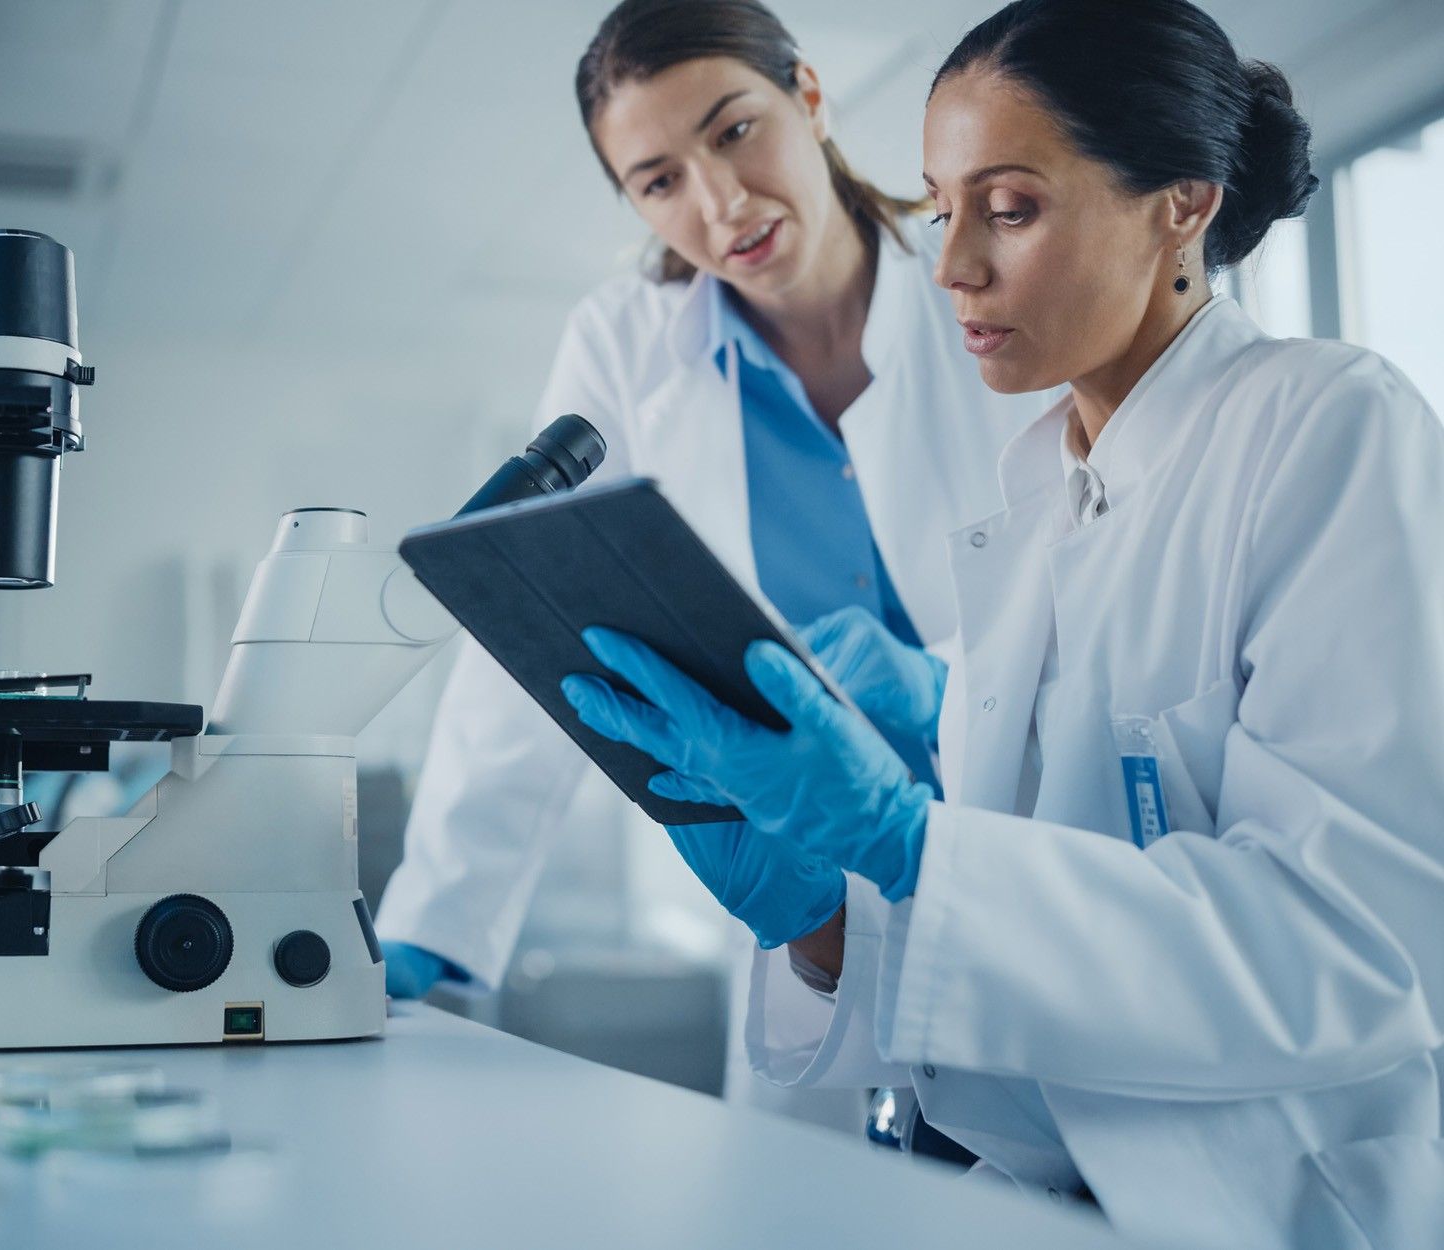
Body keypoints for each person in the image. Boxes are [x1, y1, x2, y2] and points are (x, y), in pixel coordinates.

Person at [560, 0, 1444, 1240]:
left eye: (1010, 207)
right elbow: (995, 1003)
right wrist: (817, 920)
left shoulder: (1325, 425)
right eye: (942, 207)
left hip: (1276, 1205)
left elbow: (1356, 955)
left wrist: (912, 843)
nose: (956, 263)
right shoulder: (1034, 505)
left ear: (1181, 201)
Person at [373, 0, 1042, 1126]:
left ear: (811, 97)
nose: (719, 203)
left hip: (1028, 849)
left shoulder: (980, 286)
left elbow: (1100, 571)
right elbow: (534, 631)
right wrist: (434, 920)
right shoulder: (628, 343)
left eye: (734, 131)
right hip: (813, 895)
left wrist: (948, 687)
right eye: (658, 180)